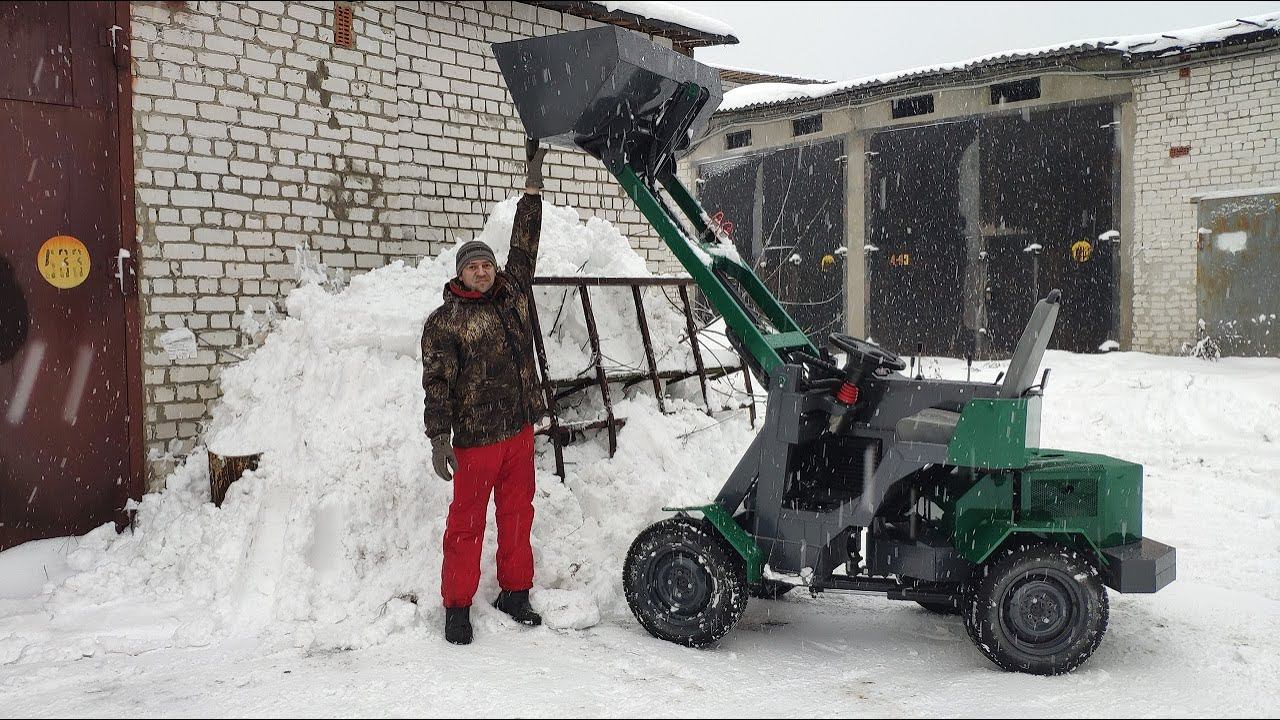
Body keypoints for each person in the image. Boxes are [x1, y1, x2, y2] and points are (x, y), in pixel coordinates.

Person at [421, 138, 549, 645]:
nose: (484, 269)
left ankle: (515, 593)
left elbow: (525, 242)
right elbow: (436, 384)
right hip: (475, 441)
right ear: (460, 274)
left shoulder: (513, 292)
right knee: (466, 526)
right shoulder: (445, 322)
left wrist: (532, 185)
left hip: (518, 432)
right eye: (474, 265)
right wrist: (438, 437)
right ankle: (457, 607)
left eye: (487, 263)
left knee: (518, 518)